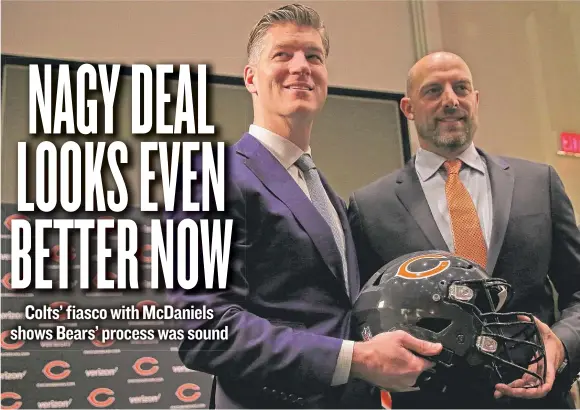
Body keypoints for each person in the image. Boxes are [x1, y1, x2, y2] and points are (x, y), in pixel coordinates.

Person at [168, 4, 443, 409]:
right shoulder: (211, 175)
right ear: (251, 78)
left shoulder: (325, 192)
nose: (301, 67)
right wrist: (357, 358)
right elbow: (204, 328)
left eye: (313, 56)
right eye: (283, 55)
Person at [347, 51, 580, 409]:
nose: (450, 100)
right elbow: (360, 317)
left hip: (539, 398)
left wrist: (563, 342)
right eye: (433, 91)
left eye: (461, 88)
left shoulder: (539, 184)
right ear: (408, 108)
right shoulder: (370, 206)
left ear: (476, 99)